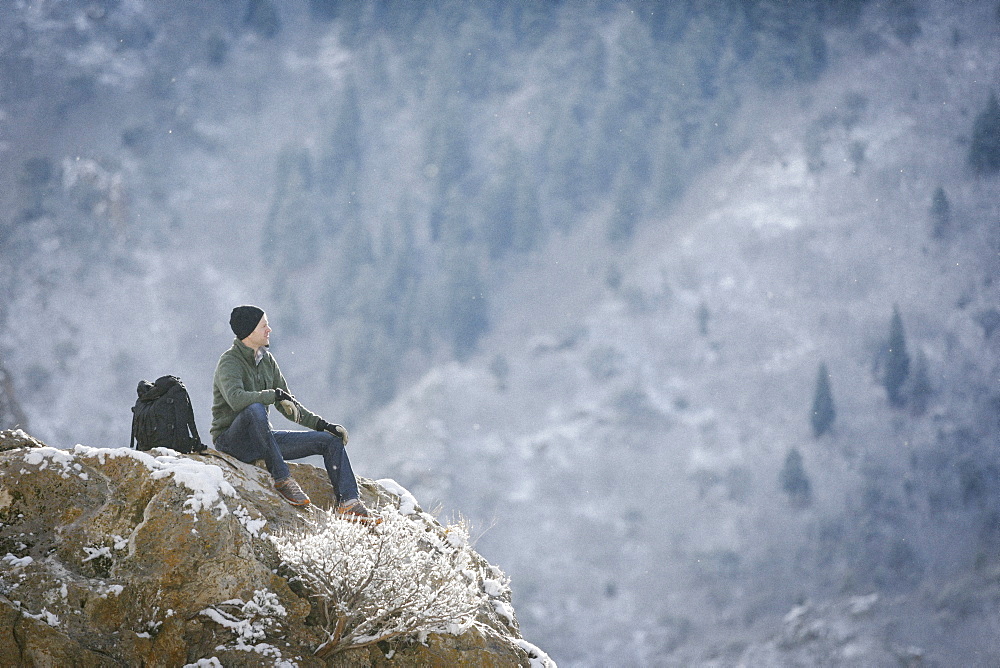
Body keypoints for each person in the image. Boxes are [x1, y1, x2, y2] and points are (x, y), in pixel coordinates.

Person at [211, 305, 377, 521]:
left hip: (263, 441)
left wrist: (324, 426)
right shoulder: (229, 362)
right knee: (254, 408)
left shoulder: (267, 361)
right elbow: (236, 400)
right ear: (250, 331)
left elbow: (288, 405)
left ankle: (349, 504)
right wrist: (272, 395)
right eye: (264, 326)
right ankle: (282, 479)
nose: (269, 329)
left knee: (329, 441)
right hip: (231, 442)